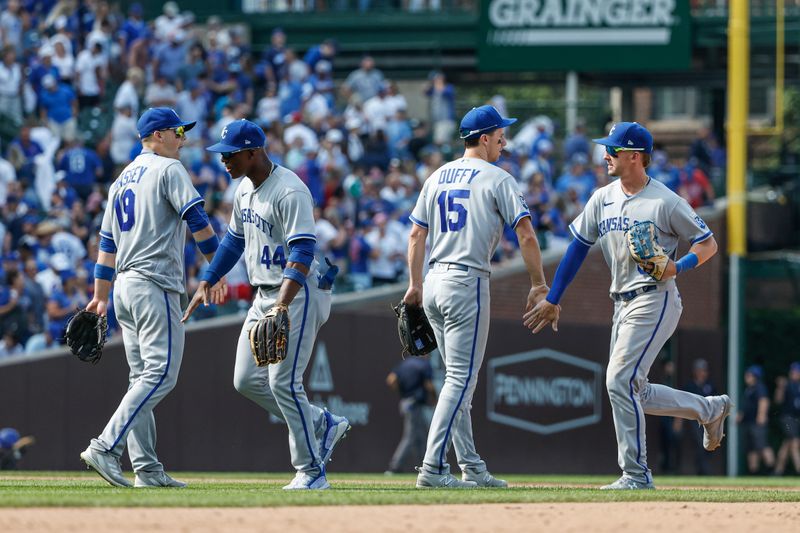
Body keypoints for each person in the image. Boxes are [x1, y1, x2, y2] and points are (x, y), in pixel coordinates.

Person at [525, 122, 731, 490]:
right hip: (620, 303)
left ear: (635, 156)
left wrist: (678, 266)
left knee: (619, 380)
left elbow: (707, 244)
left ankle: (636, 475)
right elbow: (576, 247)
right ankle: (709, 409)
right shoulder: (601, 198)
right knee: (634, 388)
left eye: (613, 150)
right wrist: (553, 298)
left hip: (656, 298)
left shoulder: (665, 200)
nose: (605, 155)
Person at [182, 119, 351, 490]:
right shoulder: (243, 189)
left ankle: (311, 471)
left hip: (299, 291)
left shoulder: (289, 190)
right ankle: (321, 424)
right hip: (264, 293)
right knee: (245, 379)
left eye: (230, 154)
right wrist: (207, 279)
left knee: (284, 382)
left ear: (253, 152)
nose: (224, 161)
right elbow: (233, 242)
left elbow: (303, 250)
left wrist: (283, 305)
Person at [405, 105, 552, 489]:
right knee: (460, 380)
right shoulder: (497, 177)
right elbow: (526, 235)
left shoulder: (436, 175)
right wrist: (538, 283)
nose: (504, 141)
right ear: (483, 138)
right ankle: (433, 468)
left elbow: (416, 235)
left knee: (456, 381)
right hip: (466, 281)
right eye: (500, 135)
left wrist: (414, 285)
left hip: (434, 280)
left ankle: (470, 466)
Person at [80, 107, 225, 489]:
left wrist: (99, 296)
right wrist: (216, 268)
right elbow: (197, 220)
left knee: (140, 377)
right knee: (161, 373)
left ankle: (146, 469)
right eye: (178, 130)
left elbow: (107, 244)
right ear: (158, 135)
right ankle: (106, 447)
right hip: (153, 282)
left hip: (124, 288)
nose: (184, 137)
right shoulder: (168, 169)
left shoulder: (120, 180)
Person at [385, 356, 435, 475]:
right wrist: (435, 398)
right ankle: (395, 466)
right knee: (410, 436)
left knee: (421, 436)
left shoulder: (405, 364)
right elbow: (429, 385)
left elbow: (390, 380)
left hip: (406, 402)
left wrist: (403, 392)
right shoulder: (424, 364)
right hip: (414, 404)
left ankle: (425, 466)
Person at [738, 365, 775, 474]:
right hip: (748, 422)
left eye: (749, 375)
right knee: (751, 449)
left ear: (755, 376)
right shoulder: (749, 388)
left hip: (756, 423)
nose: (747, 377)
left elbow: (764, 401)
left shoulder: (759, 387)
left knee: (762, 445)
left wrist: (761, 415)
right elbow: (746, 405)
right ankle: (753, 472)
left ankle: (772, 470)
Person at [683, 358, 717, 475]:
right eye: (700, 370)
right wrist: (678, 422)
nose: (702, 373)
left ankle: (701, 469)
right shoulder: (690, 386)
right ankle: (705, 471)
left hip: (709, 420)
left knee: (710, 445)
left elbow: (715, 403)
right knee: (700, 443)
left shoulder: (710, 385)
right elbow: (682, 405)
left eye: (704, 370)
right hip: (695, 420)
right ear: (695, 372)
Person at [774, 362, 800, 475]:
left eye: (796, 372)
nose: (794, 373)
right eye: (793, 371)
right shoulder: (787, 385)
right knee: (794, 443)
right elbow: (778, 400)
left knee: (786, 444)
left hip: (796, 418)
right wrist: (780, 387)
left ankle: (778, 470)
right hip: (787, 418)